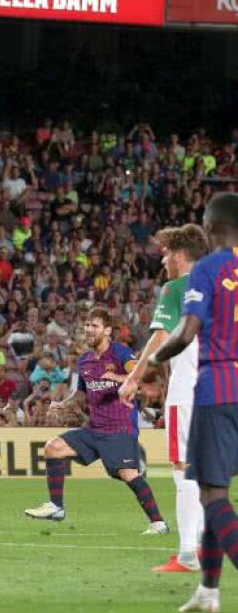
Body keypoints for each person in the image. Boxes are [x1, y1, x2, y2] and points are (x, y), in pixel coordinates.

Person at [147, 194, 238, 613]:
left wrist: (153, 361)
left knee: (214, 495)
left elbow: (185, 333)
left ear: (213, 225)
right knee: (208, 491)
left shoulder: (208, 269)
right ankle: (208, 590)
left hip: (217, 389)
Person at [24, 307, 167, 535]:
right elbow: (81, 393)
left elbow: (137, 379)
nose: (89, 330)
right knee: (54, 448)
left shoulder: (121, 354)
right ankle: (56, 507)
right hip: (94, 427)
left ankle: (158, 523)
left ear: (107, 330)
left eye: (95, 326)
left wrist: (118, 377)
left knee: (128, 474)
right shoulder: (84, 361)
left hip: (119, 427)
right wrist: (65, 404)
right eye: (87, 325)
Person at [120, 224, 209, 573]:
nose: (163, 259)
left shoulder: (177, 288)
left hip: (188, 393)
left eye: (167, 252)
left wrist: (133, 378)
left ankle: (189, 553)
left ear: (182, 255)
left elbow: (159, 337)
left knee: (182, 469)